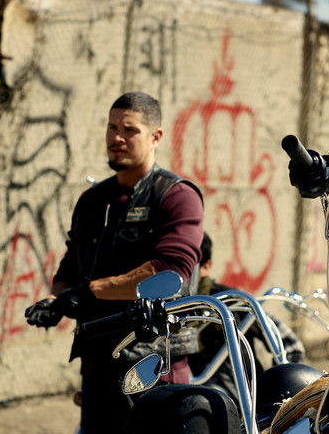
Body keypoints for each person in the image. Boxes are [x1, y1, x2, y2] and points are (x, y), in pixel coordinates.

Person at [23, 92, 204, 433]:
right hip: (97, 362)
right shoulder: (93, 201)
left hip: (153, 364)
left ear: (156, 137)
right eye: (112, 127)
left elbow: (170, 273)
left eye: (129, 130)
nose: (117, 137)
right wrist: (56, 301)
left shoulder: (177, 196)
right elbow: (70, 268)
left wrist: (89, 292)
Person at [190, 232, 305, 403]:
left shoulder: (232, 303)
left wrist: (275, 391)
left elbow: (291, 346)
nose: (179, 275)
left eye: (186, 266)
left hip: (246, 405)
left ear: (206, 266)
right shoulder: (161, 309)